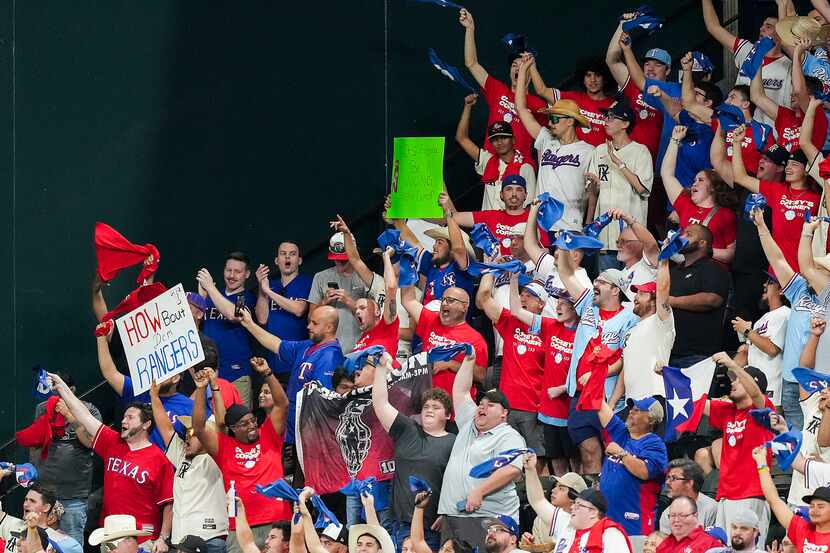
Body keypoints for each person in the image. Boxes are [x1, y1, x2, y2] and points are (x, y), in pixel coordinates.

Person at [47, 372, 173, 551]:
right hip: (110, 534)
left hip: (143, 539)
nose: (123, 420)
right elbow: (83, 415)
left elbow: (168, 503)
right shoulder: (113, 441)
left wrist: (163, 538)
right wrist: (61, 387)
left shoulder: (160, 459)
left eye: (130, 417)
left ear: (146, 425)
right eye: (123, 417)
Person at [556, 240, 640, 478]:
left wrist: (598, 374)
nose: (595, 284)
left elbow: (626, 358)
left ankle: (611, 501)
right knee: (588, 450)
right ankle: (592, 499)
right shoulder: (587, 307)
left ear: (615, 290)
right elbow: (565, 273)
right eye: (595, 280)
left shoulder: (630, 318)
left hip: (608, 396)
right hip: (581, 394)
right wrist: (564, 246)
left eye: (601, 282)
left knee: (614, 453)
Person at [193, 358, 291, 553]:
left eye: (252, 420)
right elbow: (199, 426)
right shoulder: (223, 446)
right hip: (241, 526)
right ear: (233, 429)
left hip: (277, 522)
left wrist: (267, 373)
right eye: (244, 424)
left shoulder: (268, 435)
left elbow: (282, 404)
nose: (252, 425)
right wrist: (201, 389)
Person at [436, 350, 525, 550]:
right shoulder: (469, 423)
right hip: (455, 516)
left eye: (490, 405)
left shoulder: (508, 436)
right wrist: (469, 360)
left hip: (488, 518)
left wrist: (480, 491)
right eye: (481, 403)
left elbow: (512, 469)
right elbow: (460, 391)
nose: (482, 407)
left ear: (504, 414)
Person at [371, 355, 455, 552]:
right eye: (426, 406)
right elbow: (380, 404)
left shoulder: (455, 442)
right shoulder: (407, 429)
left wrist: (448, 514)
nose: (429, 410)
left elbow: (459, 483)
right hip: (399, 525)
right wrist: (381, 368)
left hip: (432, 528)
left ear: (448, 415)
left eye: (436, 407)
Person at [751, 209, 823, 430]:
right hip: (791, 380)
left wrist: (807, 234)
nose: (813, 269)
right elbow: (778, 259)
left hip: (819, 381)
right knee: (794, 443)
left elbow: (806, 266)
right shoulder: (801, 290)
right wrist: (761, 227)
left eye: (820, 267)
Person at [694, 354, 773, 546]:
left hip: (751, 494)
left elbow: (756, 395)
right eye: (733, 379)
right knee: (724, 548)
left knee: (748, 549)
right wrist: (666, 377)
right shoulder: (728, 412)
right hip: (725, 496)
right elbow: (693, 400)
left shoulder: (763, 411)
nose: (733, 383)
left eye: (738, 379)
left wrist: (732, 364)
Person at [240, 303, 343, 445]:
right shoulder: (307, 345)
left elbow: (321, 403)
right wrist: (249, 324)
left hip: (308, 434)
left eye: (314, 323)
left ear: (329, 328)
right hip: (291, 425)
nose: (308, 327)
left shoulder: (330, 356)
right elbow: (277, 344)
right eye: (309, 322)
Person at [507, 274, 579, 476]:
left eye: (564, 303)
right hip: (548, 410)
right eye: (558, 302)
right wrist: (513, 279)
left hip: (569, 410)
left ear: (575, 308)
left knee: (576, 461)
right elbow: (516, 311)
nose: (558, 307)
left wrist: (564, 388)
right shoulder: (550, 325)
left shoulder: (584, 332)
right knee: (556, 463)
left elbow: (587, 371)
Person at [149, 377, 228, 553]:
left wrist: (208, 389)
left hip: (210, 540)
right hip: (180, 542)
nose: (186, 436)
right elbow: (166, 428)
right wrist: (154, 396)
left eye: (191, 432)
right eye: (185, 431)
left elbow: (221, 426)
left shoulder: (219, 457)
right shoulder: (182, 456)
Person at [515, 57, 595, 231]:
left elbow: (592, 193)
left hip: (570, 227)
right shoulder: (546, 139)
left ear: (570, 121)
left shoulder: (589, 151)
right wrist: (523, 71)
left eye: (555, 119)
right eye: (550, 118)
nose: (550, 123)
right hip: (539, 227)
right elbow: (521, 108)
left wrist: (588, 222)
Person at [457, 8, 547, 160]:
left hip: (520, 171)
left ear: (531, 76)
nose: (517, 68)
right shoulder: (497, 89)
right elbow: (471, 63)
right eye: (514, 65)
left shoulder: (538, 104)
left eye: (522, 66)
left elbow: (546, 140)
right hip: (491, 167)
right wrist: (470, 29)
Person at [23, 373, 100, 546]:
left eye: (62, 389)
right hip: (44, 495)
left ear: (72, 390)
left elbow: (91, 442)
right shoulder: (43, 408)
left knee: (69, 545)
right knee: (39, 543)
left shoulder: (89, 410)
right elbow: (36, 443)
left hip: (72, 496)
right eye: (54, 390)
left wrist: (69, 415)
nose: (58, 395)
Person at [476, 273, 546, 463]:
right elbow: (483, 298)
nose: (523, 298)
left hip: (534, 408)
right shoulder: (511, 322)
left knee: (536, 460)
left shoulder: (549, 329)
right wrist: (491, 271)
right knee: (506, 460)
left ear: (542, 305)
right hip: (507, 408)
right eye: (522, 294)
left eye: (530, 296)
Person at [732, 125, 821, 272]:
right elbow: (740, 177)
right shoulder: (777, 191)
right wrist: (736, 144)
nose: (788, 168)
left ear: (806, 170)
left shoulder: (817, 198)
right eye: (787, 164)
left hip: (805, 271)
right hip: (777, 271)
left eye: (795, 164)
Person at [96, 322, 193, 450]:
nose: (156, 375)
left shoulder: (188, 406)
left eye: (163, 371)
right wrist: (101, 336)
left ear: (175, 378)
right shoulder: (140, 391)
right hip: (137, 464)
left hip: (166, 467)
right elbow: (110, 373)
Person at [585, 100, 654, 272]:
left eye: (611, 117)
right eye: (606, 117)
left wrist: (618, 162)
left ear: (625, 123)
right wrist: (594, 185)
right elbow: (593, 194)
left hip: (632, 238)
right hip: (605, 237)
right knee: (607, 287)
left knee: (632, 291)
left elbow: (642, 189)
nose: (606, 121)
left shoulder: (640, 151)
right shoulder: (599, 151)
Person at [701, 0, 789, 129]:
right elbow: (713, 27)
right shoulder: (747, 50)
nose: (761, 28)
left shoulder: (789, 67)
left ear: (780, 32)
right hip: (736, 131)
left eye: (768, 27)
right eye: (762, 25)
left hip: (769, 139)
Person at [663, 126, 738, 267]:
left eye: (700, 180)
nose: (694, 184)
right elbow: (667, 174)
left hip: (712, 275)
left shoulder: (725, 215)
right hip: (686, 270)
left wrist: (698, 250)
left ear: (713, 187)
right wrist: (674, 141)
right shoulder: (685, 204)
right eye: (694, 181)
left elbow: (731, 253)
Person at [597, 397, 668, 541]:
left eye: (637, 410)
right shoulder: (622, 434)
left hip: (634, 524)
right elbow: (600, 406)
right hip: (608, 520)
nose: (630, 412)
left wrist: (621, 453)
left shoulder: (655, 444)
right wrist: (592, 381)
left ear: (651, 420)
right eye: (631, 409)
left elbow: (645, 472)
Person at [401, 281, 488, 393]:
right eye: (443, 299)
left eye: (450, 300)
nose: (444, 303)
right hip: (424, 400)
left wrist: (450, 364)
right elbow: (408, 300)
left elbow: (480, 375)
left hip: (454, 405)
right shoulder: (431, 320)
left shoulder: (475, 339)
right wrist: (407, 266)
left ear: (464, 307)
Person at [455, 95, 537, 211]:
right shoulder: (487, 160)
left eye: (504, 137)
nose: (499, 142)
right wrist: (468, 106)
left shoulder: (525, 167)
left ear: (513, 140)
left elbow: (530, 206)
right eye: (495, 139)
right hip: (486, 227)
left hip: (511, 227)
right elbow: (462, 138)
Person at [605, 15, 668, 161]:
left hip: (651, 163)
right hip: (623, 156)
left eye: (657, 65)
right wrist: (623, 25)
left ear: (668, 70)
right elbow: (612, 60)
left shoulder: (673, 93)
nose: (651, 69)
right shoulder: (634, 85)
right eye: (647, 64)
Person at [667, 224, 731, 367]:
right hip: (668, 352)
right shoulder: (674, 271)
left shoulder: (713, 268)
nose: (682, 237)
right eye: (682, 234)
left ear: (703, 243)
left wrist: (671, 301)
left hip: (697, 355)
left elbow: (712, 299)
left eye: (688, 234)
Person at [198, 252, 257, 405]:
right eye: (228, 270)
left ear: (247, 274)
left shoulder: (247, 297)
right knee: (211, 424)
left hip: (236, 373)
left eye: (237, 272)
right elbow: (195, 329)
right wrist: (202, 298)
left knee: (240, 423)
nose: (232, 276)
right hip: (209, 373)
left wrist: (210, 288)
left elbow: (234, 315)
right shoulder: (211, 296)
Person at [613, 258, 674, 404]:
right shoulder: (631, 331)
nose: (635, 297)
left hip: (653, 397)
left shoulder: (661, 322)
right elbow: (626, 368)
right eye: (636, 293)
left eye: (641, 294)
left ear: (654, 300)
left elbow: (663, 288)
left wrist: (664, 260)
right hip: (632, 401)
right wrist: (613, 401)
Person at [750, 41, 828, 154]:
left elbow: (798, 90)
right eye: (792, 90)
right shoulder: (785, 116)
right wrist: (758, 60)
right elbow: (757, 97)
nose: (792, 94)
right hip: (783, 168)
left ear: (812, 97)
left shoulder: (817, 115)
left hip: (805, 170)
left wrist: (797, 53)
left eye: (797, 92)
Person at [522, 203, 592, 318]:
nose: (556, 253)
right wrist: (533, 211)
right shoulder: (553, 266)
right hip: (544, 328)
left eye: (562, 249)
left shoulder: (583, 283)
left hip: (561, 333)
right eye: (556, 248)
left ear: (575, 255)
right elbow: (530, 245)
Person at [254, 241, 312, 378]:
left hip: (297, 358)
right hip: (273, 358)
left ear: (299, 260)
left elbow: (299, 309)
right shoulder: (271, 285)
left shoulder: (306, 282)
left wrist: (268, 292)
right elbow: (262, 318)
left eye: (292, 254)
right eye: (283, 254)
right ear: (276, 260)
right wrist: (262, 288)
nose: (287, 258)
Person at [731, 274, 790, 407]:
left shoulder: (785, 314)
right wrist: (731, 370)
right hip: (752, 389)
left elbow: (772, 349)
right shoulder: (761, 320)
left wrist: (747, 331)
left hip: (772, 389)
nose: (764, 285)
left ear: (781, 290)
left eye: (769, 282)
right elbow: (748, 352)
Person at [529, 55, 615, 146]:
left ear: (604, 78)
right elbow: (542, 90)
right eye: (588, 75)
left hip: (600, 158)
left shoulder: (613, 106)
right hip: (571, 157)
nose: (593, 80)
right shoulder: (572, 98)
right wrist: (532, 66)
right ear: (583, 79)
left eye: (597, 75)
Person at [754, 448, 830, 550]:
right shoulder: (802, 530)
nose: (814, 510)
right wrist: (762, 464)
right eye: (811, 506)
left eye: (821, 506)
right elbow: (774, 500)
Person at [307, 232, 369, 354]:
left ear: (353, 253)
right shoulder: (320, 277)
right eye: (336, 258)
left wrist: (350, 302)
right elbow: (310, 319)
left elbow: (375, 319)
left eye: (343, 259)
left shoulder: (367, 278)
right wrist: (324, 302)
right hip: (328, 351)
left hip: (360, 349)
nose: (339, 262)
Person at [449, 175, 530, 257]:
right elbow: (453, 217)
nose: (514, 194)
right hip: (492, 268)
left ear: (526, 195)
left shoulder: (534, 220)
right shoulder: (490, 216)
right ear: (501, 194)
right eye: (509, 189)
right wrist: (445, 199)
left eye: (519, 190)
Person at [522, 452, 586, 544]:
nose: (553, 490)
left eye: (561, 488)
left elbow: (538, 501)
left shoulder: (589, 524)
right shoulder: (546, 519)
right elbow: (537, 501)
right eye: (555, 486)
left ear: (574, 497)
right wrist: (530, 469)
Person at [0, 482, 82, 553]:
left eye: (32, 501)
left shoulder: (63, 542)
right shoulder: (14, 524)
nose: (25, 504)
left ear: (46, 507)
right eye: (26, 499)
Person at [552, 489, 632, 552]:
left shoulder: (611, 534)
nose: (572, 507)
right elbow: (540, 502)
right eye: (574, 503)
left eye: (578, 505)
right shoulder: (567, 527)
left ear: (593, 512)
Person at [658, 460, 717, 534]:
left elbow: (715, 542)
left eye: (673, 478)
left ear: (689, 483)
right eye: (668, 477)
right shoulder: (667, 513)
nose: (667, 482)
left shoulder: (711, 508)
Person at [655, 496, 721, 552]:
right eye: (672, 516)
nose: (676, 520)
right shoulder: (665, 545)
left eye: (682, 515)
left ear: (695, 516)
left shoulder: (710, 543)